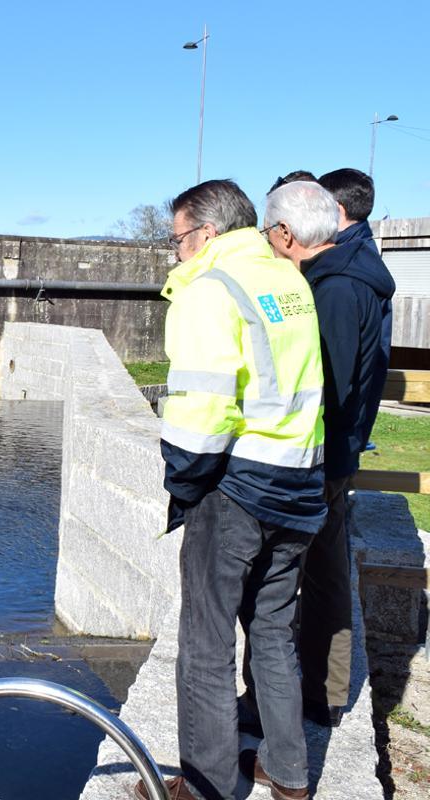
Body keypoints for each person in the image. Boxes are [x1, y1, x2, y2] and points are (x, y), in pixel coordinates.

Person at [138, 179, 326, 800]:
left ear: (208, 232)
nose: (175, 251)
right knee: (272, 630)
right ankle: (289, 774)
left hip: (237, 487)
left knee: (206, 643)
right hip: (300, 480)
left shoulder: (208, 289)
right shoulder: (288, 280)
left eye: (177, 238)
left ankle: (205, 786)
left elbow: (202, 414)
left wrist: (184, 486)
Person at [270, 177, 396, 726]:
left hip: (322, 455)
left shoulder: (338, 288)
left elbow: (332, 382)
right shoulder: (350, 273)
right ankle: (324, 692)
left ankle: (316, 694)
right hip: (335, 451)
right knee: (324, 568)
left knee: (305, 575)